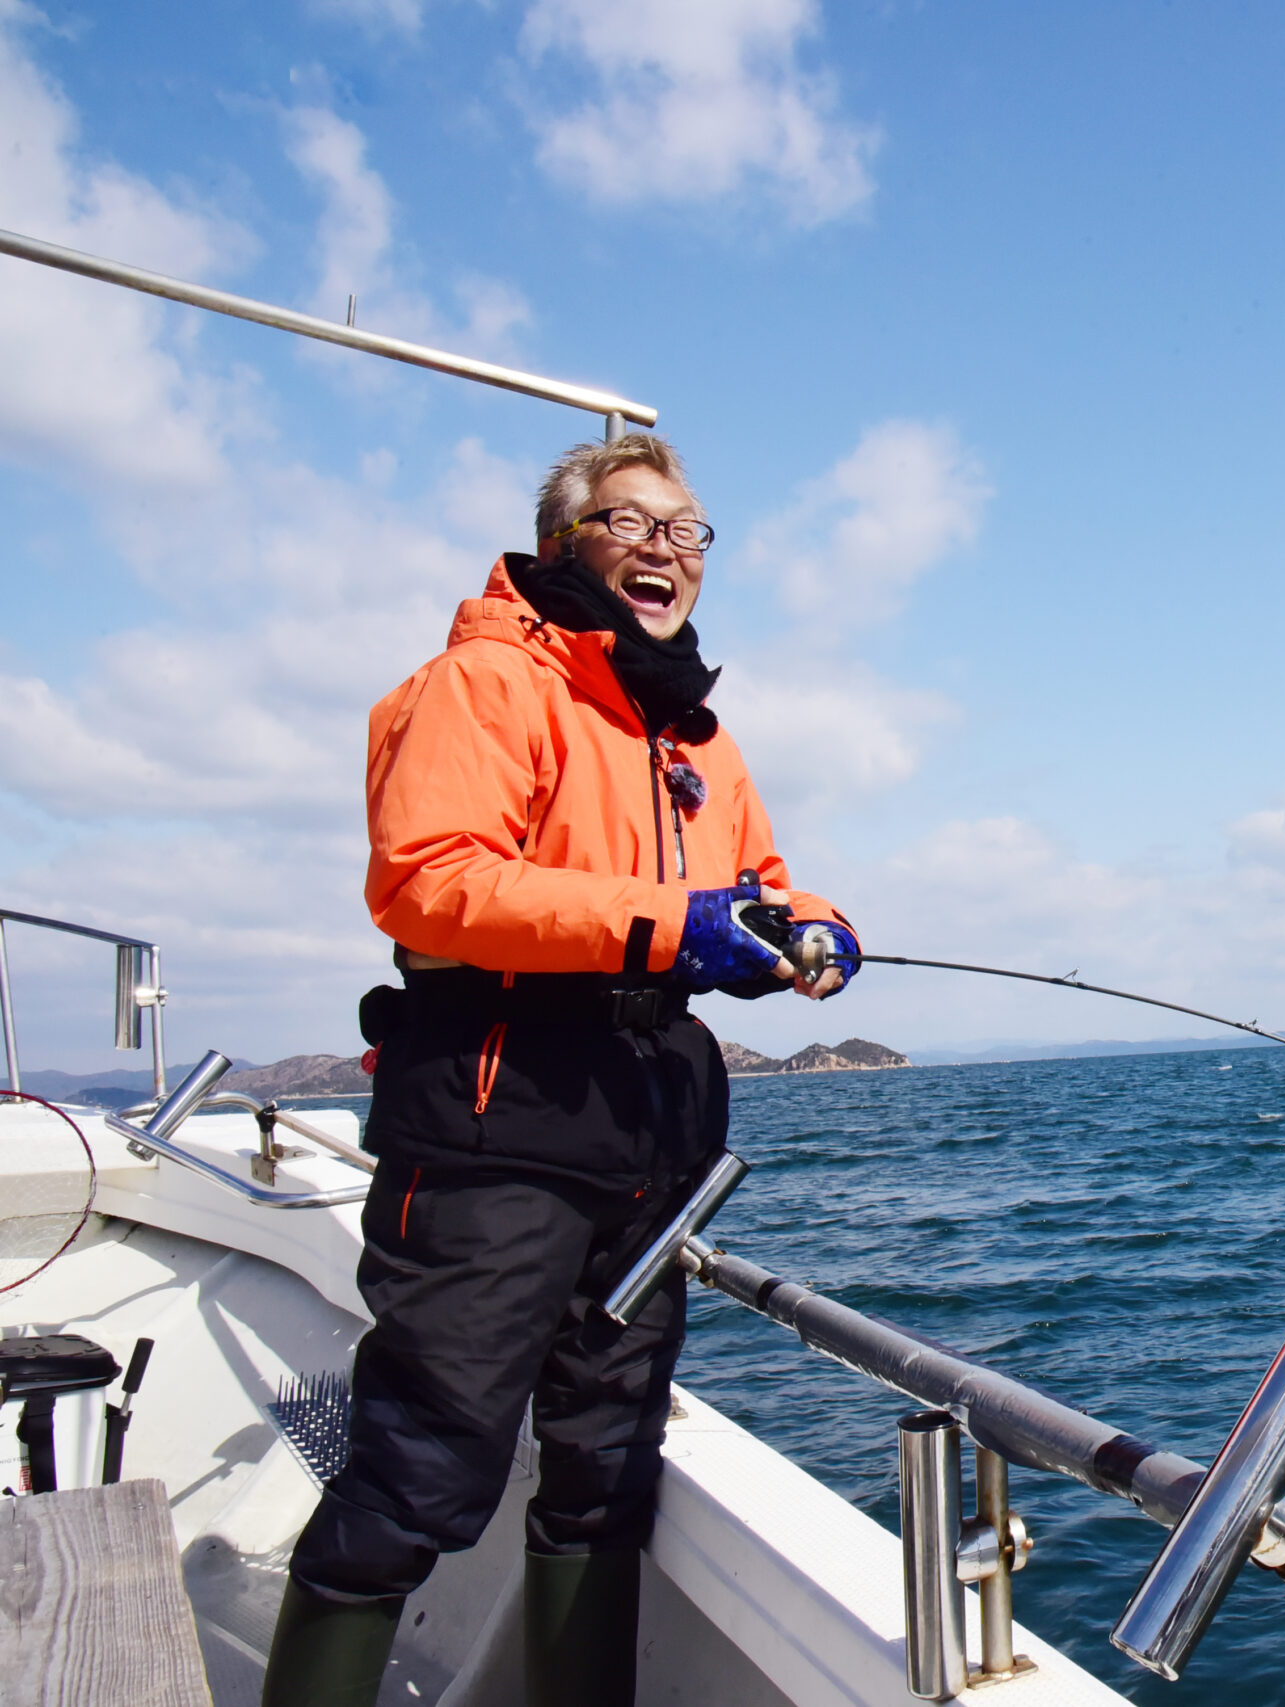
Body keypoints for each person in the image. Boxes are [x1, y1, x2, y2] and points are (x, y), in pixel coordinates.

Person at [261, 433, 859, 1707]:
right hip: (497, 1121)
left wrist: (798, 925)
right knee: (421, 1470)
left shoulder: (696, 730)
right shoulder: (482, 684)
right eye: (629, 522)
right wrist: (667, 923)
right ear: (559, 546)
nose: (665, 548)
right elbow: (429, 885)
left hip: (651, 1140)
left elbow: (747, 881)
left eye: (688, 530)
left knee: (605, 1473)